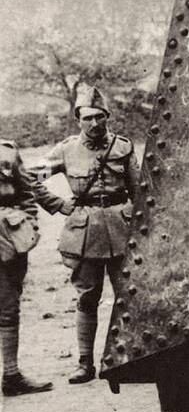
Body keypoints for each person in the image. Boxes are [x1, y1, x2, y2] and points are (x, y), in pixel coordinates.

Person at [43, 85, 139, 384]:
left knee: (129, 295)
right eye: (87, 118)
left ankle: (129, 359)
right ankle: (85, 364)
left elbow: (139, 191)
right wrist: (57, 204)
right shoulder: (65, 150)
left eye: (99, 117)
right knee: (87, 297)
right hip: (84, 233)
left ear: (107, 116)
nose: (94, 123)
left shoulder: (122, 147)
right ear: (78, 119)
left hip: (121, 229)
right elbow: (31, 179)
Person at [0, 136, 53, 396]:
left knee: (9, 307)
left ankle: (11, 375)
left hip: (9, 238)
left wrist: (29, 224)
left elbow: (26, 192)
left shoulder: (7, 151)